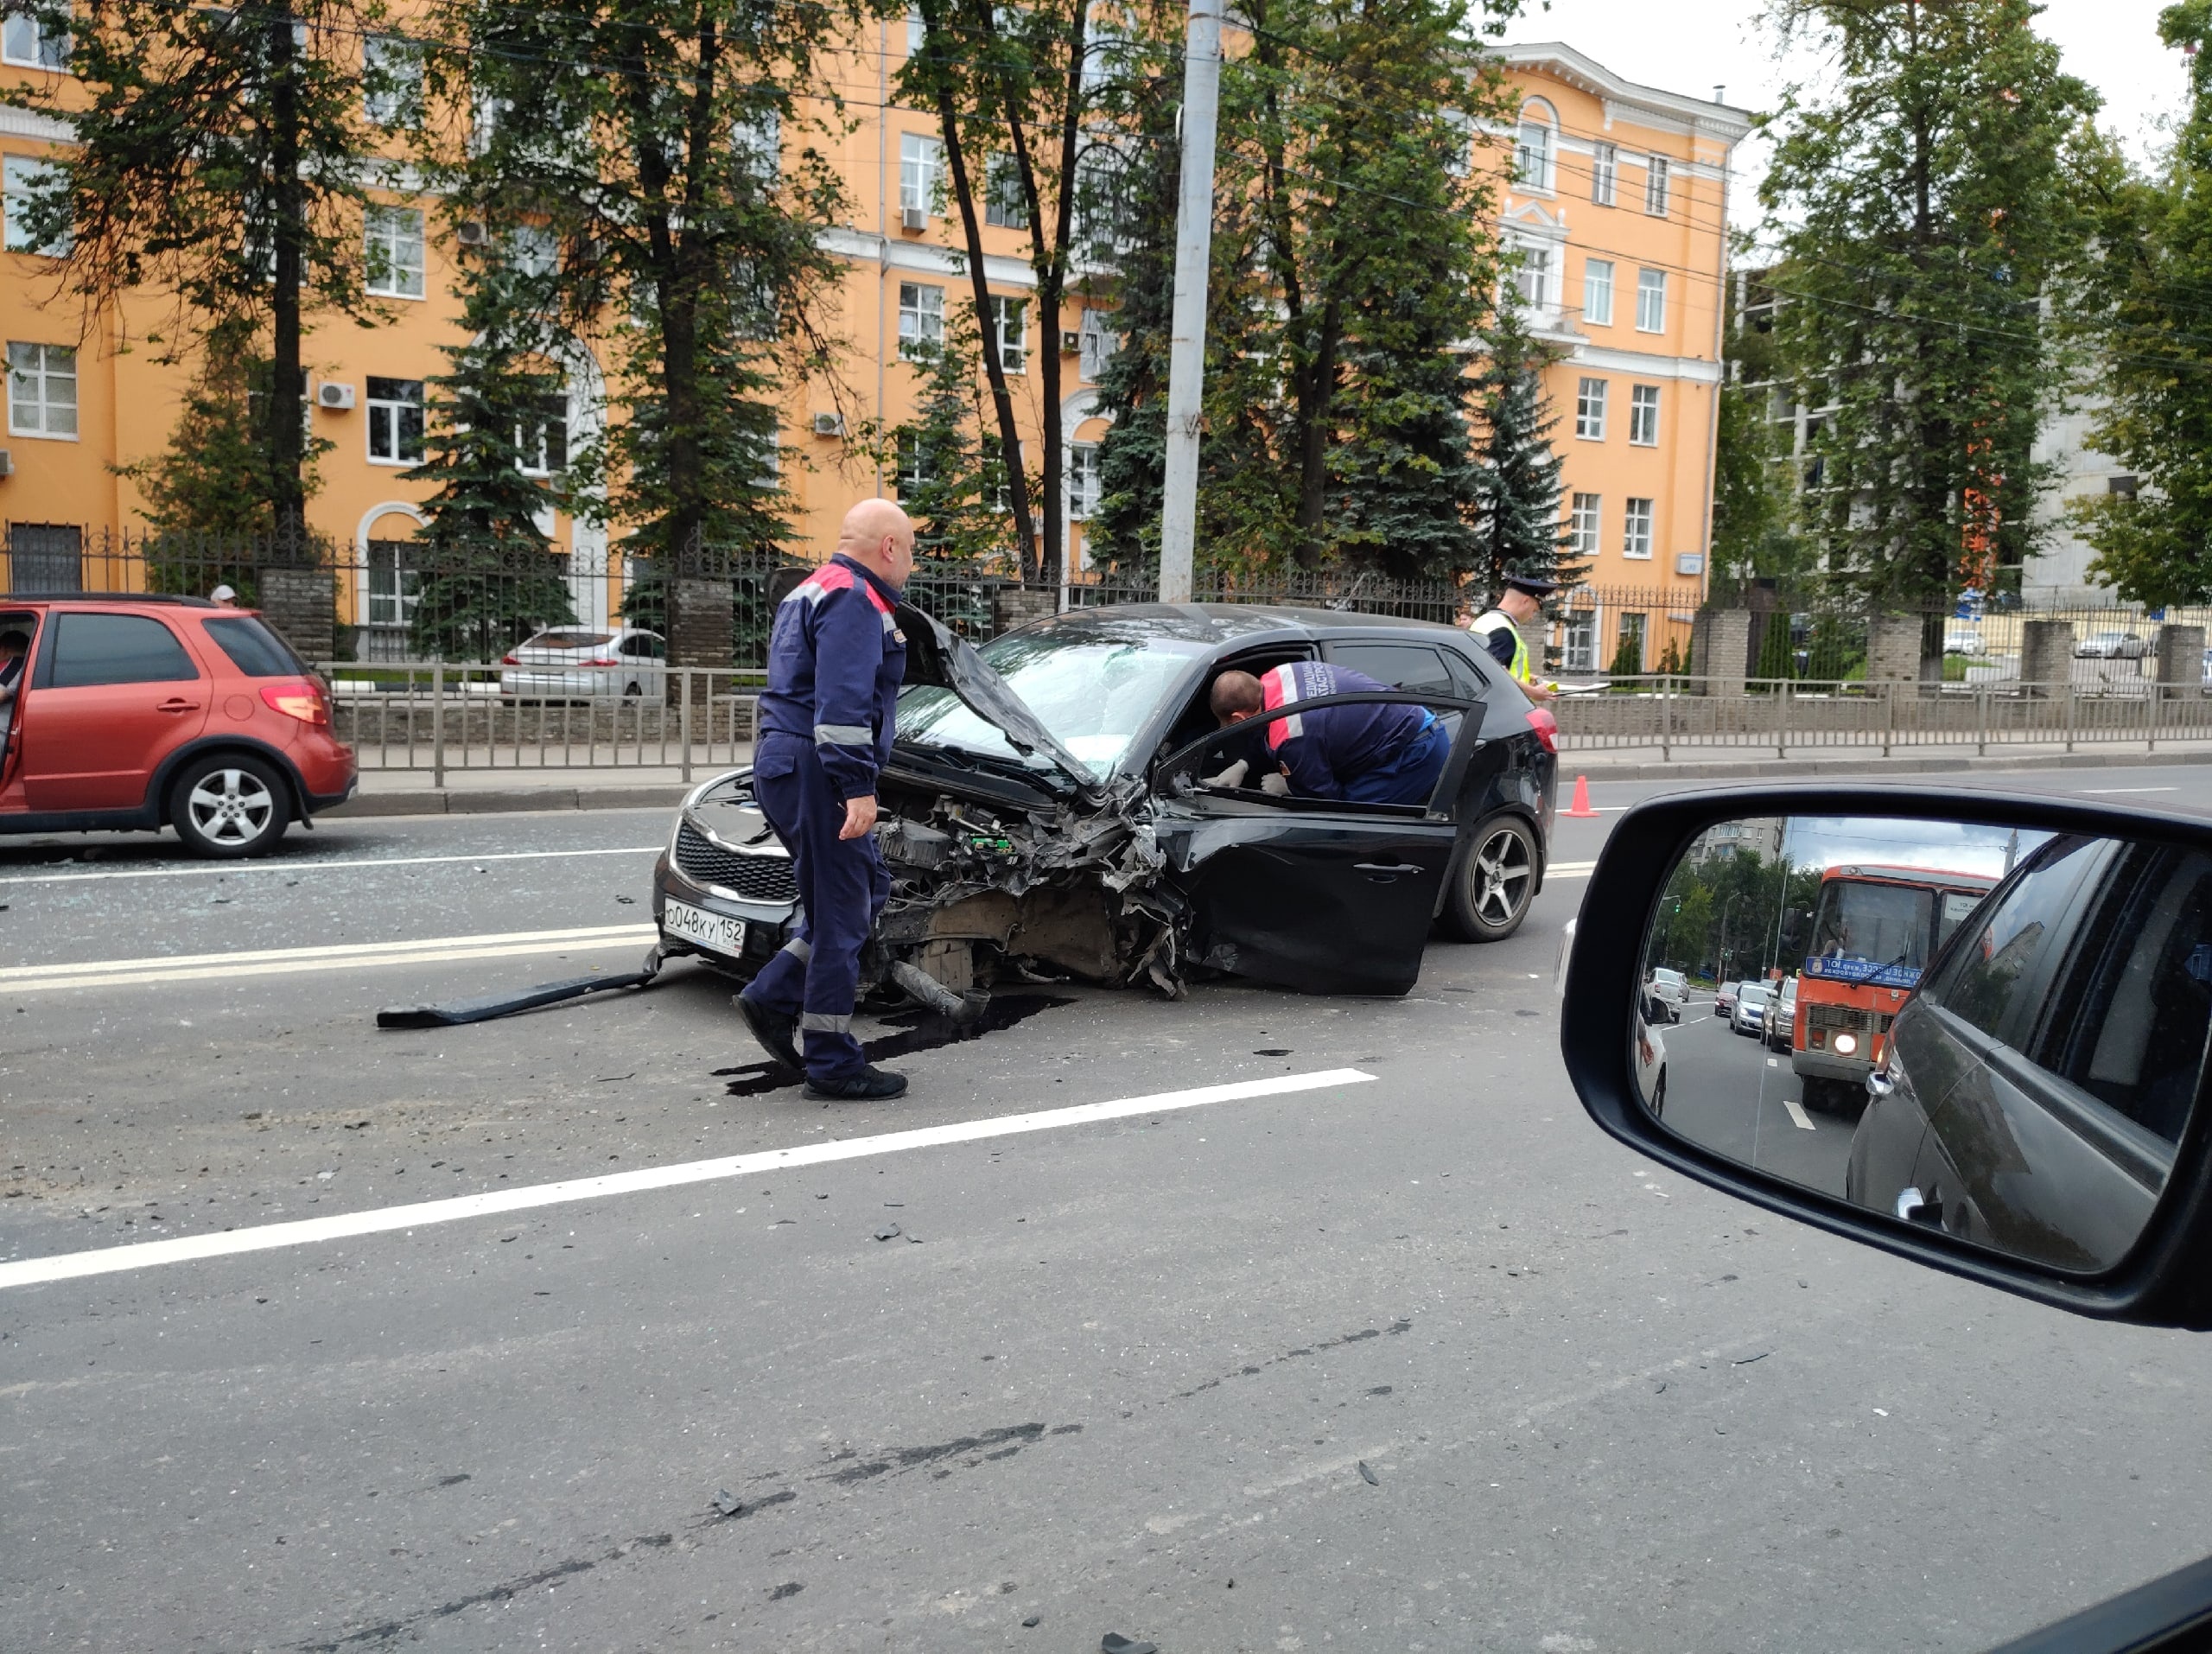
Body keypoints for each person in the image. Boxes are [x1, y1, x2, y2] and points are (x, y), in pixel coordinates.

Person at [734, 499, 917, 1100]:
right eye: (910, 550)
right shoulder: (854, 600)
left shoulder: (810, 589)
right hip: (819, 767)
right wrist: (858, 788)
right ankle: (833, 1062)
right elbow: (841, 710)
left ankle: (775, 993)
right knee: (843, 912)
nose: (910, 564)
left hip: (786, 759)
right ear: (889, 546)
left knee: (859, 890)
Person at [1210, 661, 1449, 806]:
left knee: (1350, 823)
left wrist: (1292, 786)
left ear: (1239, 718)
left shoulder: (1294, 734)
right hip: (1403, 726)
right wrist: (1244, 764)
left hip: (1416, 751)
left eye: (1233, 726)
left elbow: (1324, 796)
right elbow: (1266, 728)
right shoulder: (1279, 675)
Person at [1465, 574, 1557, 702]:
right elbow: (1494, 672)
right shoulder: (1503, 631)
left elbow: (1482, 665)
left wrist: (1526, 678)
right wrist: (1533, 692)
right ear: (1525, 601)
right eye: (1534, 610)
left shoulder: (1486, 620)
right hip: (1499, 706)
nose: (1532, 616)